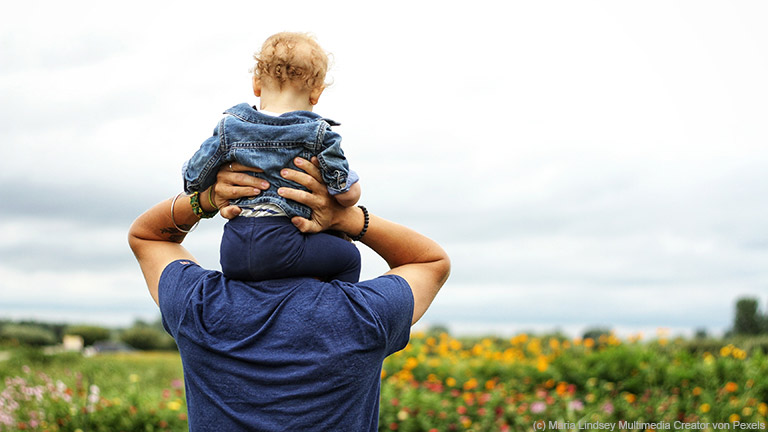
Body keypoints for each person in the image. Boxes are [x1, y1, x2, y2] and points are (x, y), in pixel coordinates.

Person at [128, 157, 450, 431]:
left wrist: (210, 198)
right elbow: (430, 261)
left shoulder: (199, 305)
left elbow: (149, 237)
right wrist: (349, 218)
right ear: (333, 242)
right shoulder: (364, 315)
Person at [182, 32, 362, 283]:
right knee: (348, 257)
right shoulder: (319, 134)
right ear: (316, 94)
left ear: (256, 84)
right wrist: (351, 187)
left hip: (233, 249)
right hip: (285, 244)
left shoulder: (229, 128)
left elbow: (194, 179)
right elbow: (344, 194)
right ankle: (335, 313)